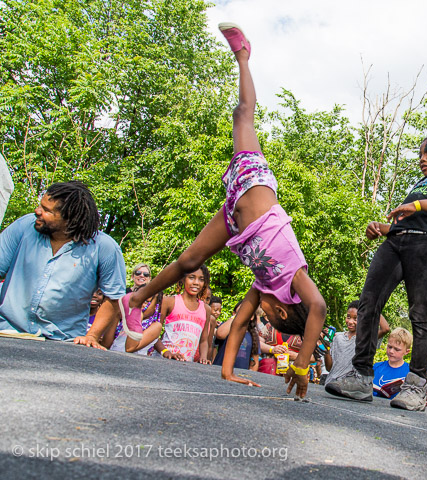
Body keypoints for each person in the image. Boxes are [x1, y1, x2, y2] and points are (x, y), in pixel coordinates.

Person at [111, 24, 325, 399]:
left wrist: (228, 373)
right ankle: (243, 55)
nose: (262, 313)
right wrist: (302, 362)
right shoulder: (294, 280)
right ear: (283, 314)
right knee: (242, 115)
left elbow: (239, 324)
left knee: (188, 259)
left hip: (234, 218)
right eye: (270, 317)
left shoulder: (263, 289)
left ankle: (135, 299)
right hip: (253, 186)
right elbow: (319, 307)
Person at [325, 127, 427, 410]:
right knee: (368, 304)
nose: (423, 158)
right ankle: (362, 376)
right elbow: (410, 222)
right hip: (395, 243)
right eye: (420, 154)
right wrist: (383, 228)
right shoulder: (420, 183)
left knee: (420, 314)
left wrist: (417, 204)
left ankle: (415, 386)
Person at [0, 181, 126, 340]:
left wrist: (92, 335)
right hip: (7, 331)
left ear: (70, 219)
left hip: (63, 342)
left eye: (46, 210)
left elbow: (113, 298)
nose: (37, 211)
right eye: (41, 205)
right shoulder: (24, 226)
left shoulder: (104, 247)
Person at [149, 266, 212, 363]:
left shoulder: (206, 309)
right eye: (191, 277)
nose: (196, 282)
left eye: (201, 279)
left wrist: (203, 358)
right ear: (183, 279)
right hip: (163, 360)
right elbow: (152, 334)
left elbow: (204, 340)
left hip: (186, 364)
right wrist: (165, 352)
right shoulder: (169, 301)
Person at [325, 300, 390, 387]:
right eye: (348, 317)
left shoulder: (365, 339)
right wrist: (326, 347)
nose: (350, 321)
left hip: (349, 388)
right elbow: (329, 368)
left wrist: (372, 306)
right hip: (330, 384)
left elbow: (385, 329)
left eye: (356, 318)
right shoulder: (337, 338)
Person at [213, 300, 259, 370]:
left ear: (252, 317)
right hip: (220, 369)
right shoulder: (227, 328)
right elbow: (220, 334)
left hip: (241, 373)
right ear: (234, 313)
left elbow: (255, 360)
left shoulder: (253, 335)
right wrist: (236, 317)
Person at [373, 327, 412, 399]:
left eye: (397, 349)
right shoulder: (376, 367)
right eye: (389, 347)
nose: (391, 351)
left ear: (406, 352)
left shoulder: (410, 372)